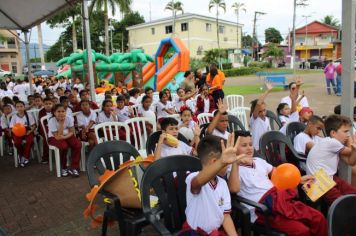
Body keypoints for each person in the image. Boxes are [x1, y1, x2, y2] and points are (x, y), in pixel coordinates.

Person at [228, 131, 327, 236]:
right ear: (233, 149)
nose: (249, 148)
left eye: (251, 144)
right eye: (244, 145)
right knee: (301, 230)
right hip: (262, 210)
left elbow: (279, 173)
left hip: (279, 201)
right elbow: (234, 189)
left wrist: (298, 179)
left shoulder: (258, 161)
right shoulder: (232, 169)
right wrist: (235, 162)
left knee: (318, 218)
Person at [181, 134, 247, 235]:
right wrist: (222, 162)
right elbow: (197, 183)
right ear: (215, 161)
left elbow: (225, 217)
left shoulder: (223, 184)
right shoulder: (193, 177)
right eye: (227, 164)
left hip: (215, 232)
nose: (228, 166)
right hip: (194, 232)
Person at [307, 114, 356, 205]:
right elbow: (350, 151)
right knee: (342, 204)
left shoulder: (334, 145)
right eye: (345, 132)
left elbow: (351, 162)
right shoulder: (331, 142)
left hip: (327, 178)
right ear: (333, 133)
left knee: (352, 193)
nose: (347, 135)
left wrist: (354, 149)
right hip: (316, 182)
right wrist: (352, 142)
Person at [47, 104, 82, 177]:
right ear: (54, 112)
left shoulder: (69, 118)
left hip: (66, 135)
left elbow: (72, 131)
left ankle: (74, 167)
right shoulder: (51, 121)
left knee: (77, 144)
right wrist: (61, 124)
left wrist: (65, 137)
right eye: (58, 111)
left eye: (63, 111)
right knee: (63, 146)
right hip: (53, 138)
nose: (61, 113)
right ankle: (64, 167)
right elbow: (57, 137)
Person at [10, 101, 36, 167]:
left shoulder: (29, 115)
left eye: (21, 106)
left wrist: (30, 131)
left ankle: (25, 157)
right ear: (15, 108)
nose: (20, 108)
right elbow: (11, 127)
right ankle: (21, 155)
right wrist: (17, 132)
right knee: (16, 142)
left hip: (27, 131)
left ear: (24, 107)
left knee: (29, 141)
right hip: (17, 132)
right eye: (17, 107)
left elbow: (33, 126)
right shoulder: (14, 117)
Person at [249, 82, 272, 151]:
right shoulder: (255, 119)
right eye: (260, 111)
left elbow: (269, 132)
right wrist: (267, 91)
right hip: (257, 149)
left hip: (266, 147)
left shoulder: (267, 119)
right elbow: (259, 103)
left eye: (264, 110)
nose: (262, 113)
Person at [38, 97, 54, 164]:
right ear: (43, 104)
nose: (48, 105)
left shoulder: (55, 110)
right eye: (46, 104)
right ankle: (45, 157)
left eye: (50, 103)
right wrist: (47, 132)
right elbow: (42, 124)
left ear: (52, 104)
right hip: (44, 128)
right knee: (46, 138)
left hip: (54, 128)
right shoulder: (41, 112)